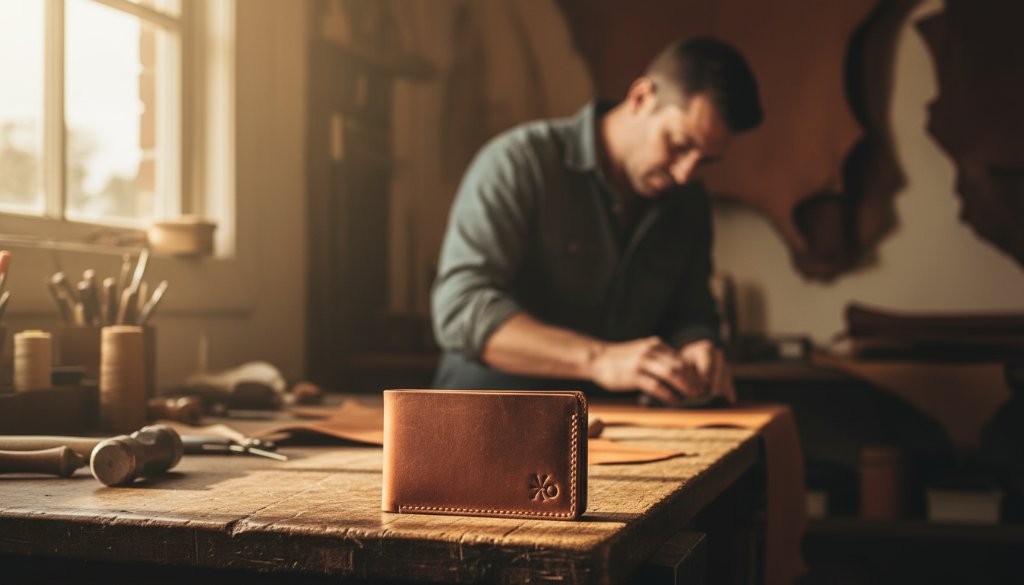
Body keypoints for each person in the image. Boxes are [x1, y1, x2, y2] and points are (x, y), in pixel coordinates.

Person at [430, 37, 762, 404]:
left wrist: (699, 343)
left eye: (706, 161)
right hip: (484, 423)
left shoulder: (689, 201)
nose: (686, 173)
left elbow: (691, 311)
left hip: (616, 430)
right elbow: (461, 309)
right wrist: (600, 360)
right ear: (641, 98)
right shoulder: (518, 162)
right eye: (680, 144)